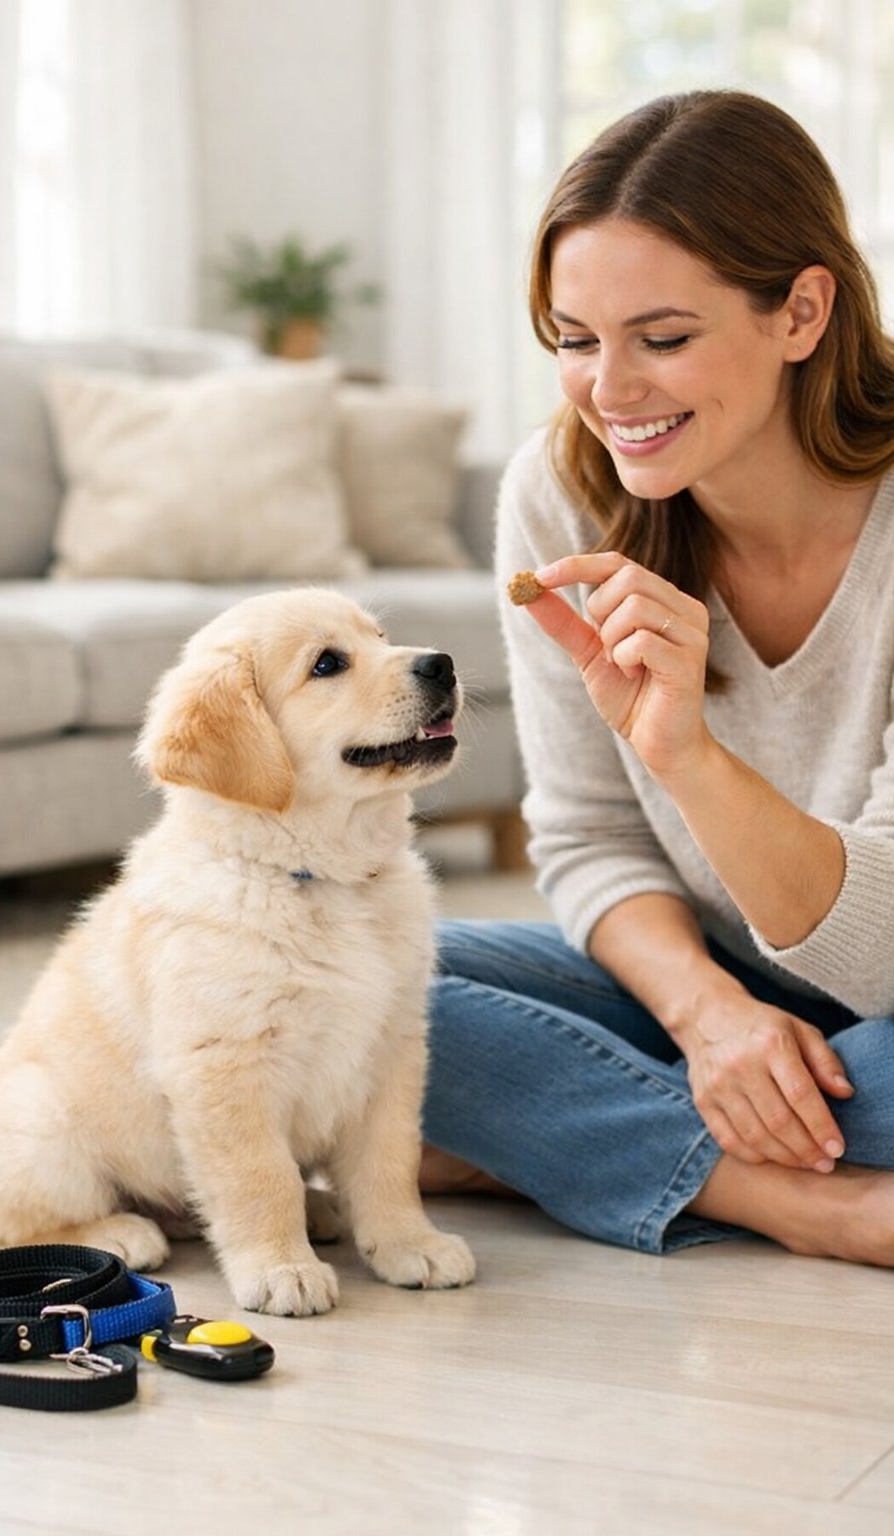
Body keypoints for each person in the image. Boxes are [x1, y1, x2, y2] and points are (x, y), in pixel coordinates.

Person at [420, 89, 894, 1265]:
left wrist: (688, 757)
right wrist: (711, 1017)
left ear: (801, 310)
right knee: (320, 973)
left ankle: (508, 1143)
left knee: (871, 1087)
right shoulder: (560, 493)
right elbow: (584, 838)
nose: (609, 391)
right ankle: (779, 1197)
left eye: (662, 338)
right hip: (711, 977)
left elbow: (882, 959)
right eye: (576, 340)